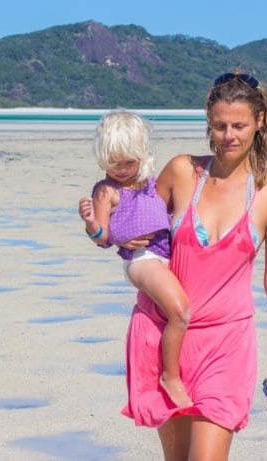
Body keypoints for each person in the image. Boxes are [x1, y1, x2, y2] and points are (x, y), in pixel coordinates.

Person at [120, 71, 267, 460]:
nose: (229, 135)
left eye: (240, 125)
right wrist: (107, 231)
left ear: (259, 122)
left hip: (225, 344)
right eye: (220, 125)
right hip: (163, 337)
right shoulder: (181, 172)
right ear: (209, 122)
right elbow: (130, 227)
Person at [78, 110, 193, 408]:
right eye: (113, 162)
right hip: (141, 260)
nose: (121, 169)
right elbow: (102, 238)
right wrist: (93, 225)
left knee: (178, 312)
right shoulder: (106, 191)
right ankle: (170, 376)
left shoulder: (148, 183)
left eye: (128, 162)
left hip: (164, 255)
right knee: (180, 313)